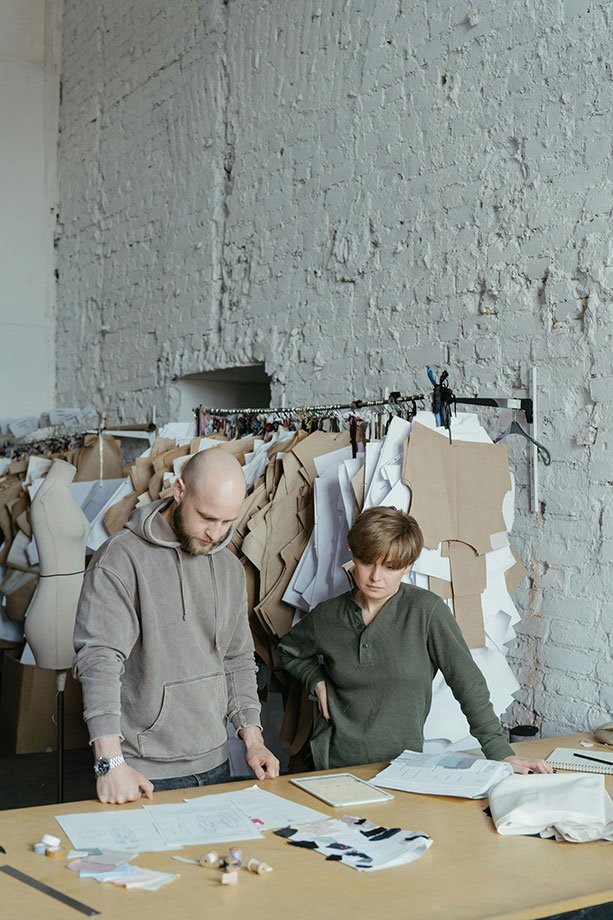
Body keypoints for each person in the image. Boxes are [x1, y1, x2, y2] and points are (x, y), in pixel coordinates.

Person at [74, 447, 279, 804]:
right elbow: (99, 662)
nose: (216, 533)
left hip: (217, 761)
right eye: (206, 517)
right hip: (142, 770)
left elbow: (237, 659)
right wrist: (109, 763)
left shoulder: (229, 569)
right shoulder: (120, 559)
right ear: (180, 490)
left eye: (227, 522)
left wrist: (254, 739)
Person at [278, 507, 551, 775]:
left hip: (401, 767)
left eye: (390, 566)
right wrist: (316, 679)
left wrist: (500, 752)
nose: (376, 576)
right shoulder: (327, 616)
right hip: (330, 764)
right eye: (366, 561)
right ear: (353, 555)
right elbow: (288, 651)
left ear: (407, 566)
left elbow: (468, 684)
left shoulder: (426, 612)